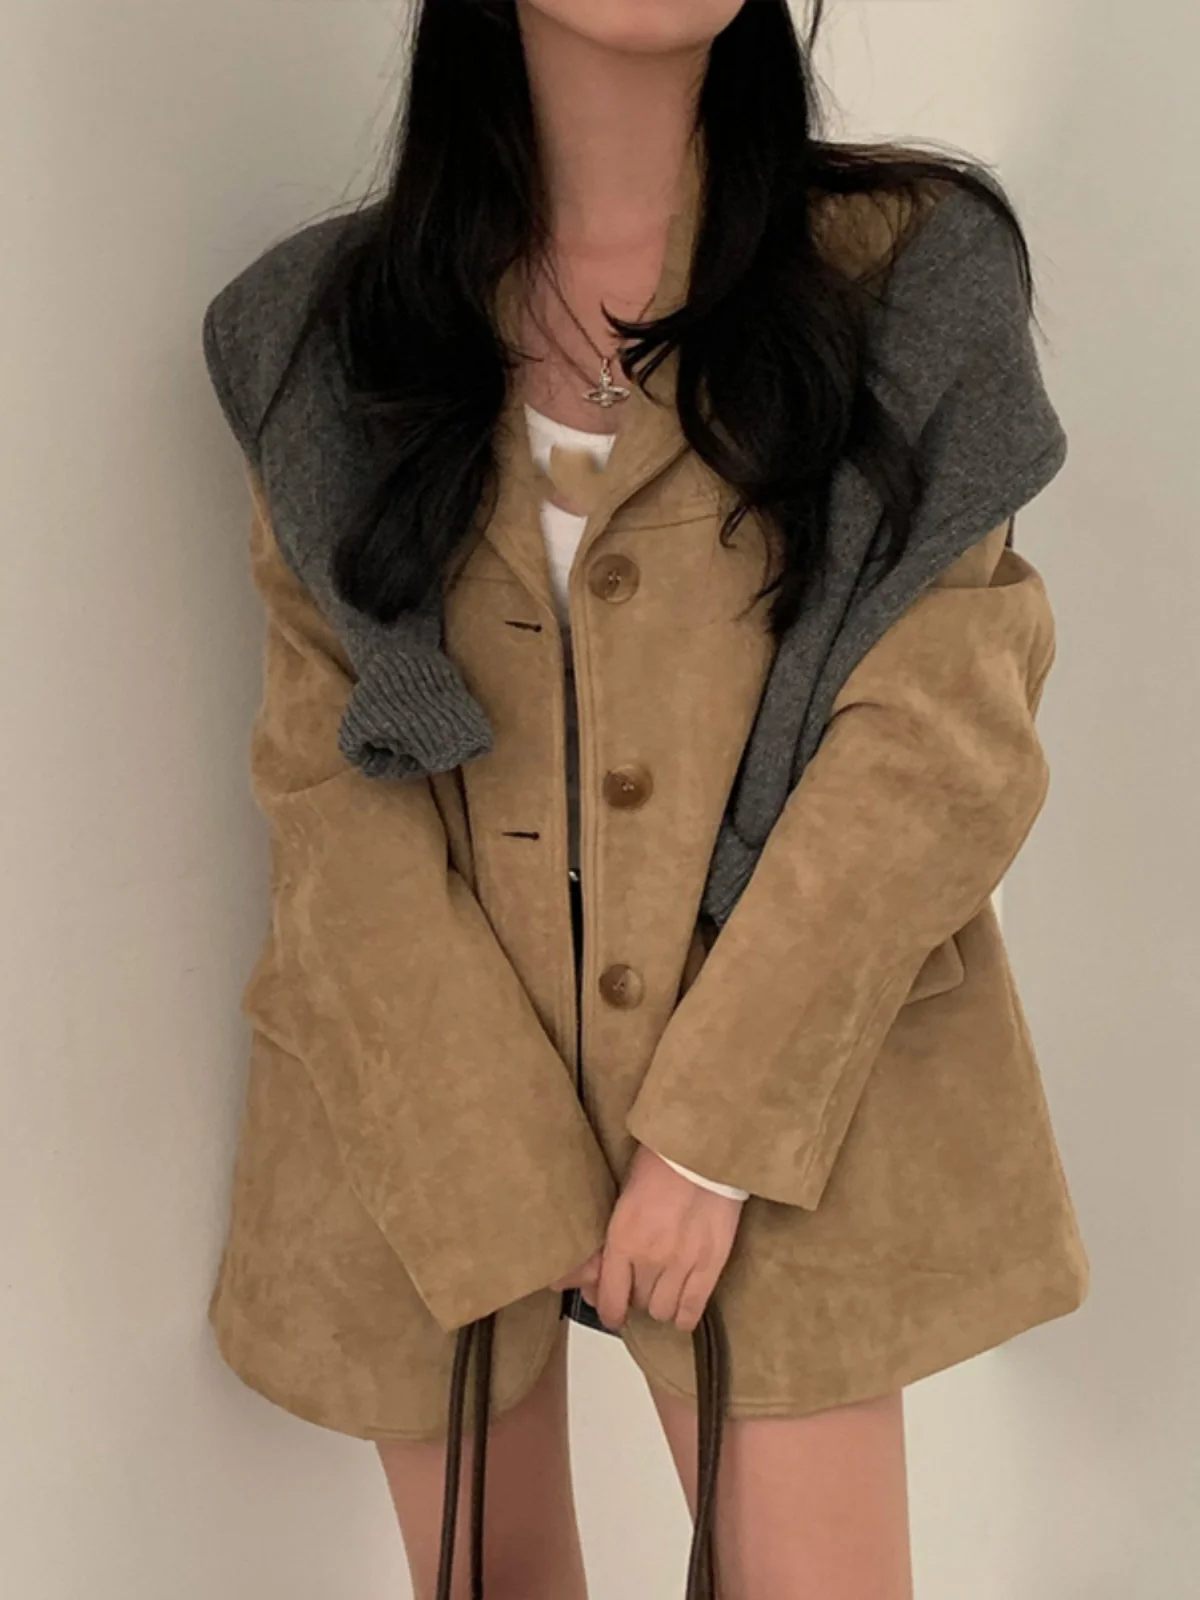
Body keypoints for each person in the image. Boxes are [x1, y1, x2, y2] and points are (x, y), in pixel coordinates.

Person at [200, 2, 1089, 1595]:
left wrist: (710, 1142)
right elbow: (330, 790)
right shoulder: (320, 337)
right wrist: (493, 1168)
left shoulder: (905, 279)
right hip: (417, 1103)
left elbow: (940, 736)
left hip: (788, 1097)